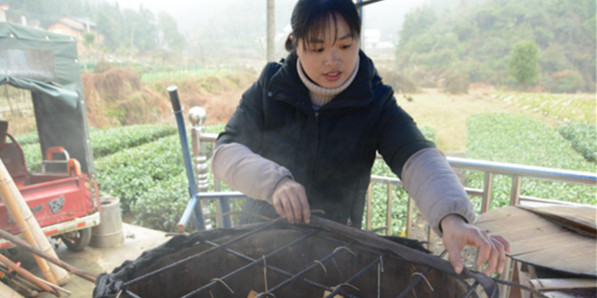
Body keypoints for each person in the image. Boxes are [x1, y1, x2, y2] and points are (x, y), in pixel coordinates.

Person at [212, 0, 510, 276]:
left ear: (358, 39)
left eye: (345, 45)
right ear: (296, 45)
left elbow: (416, 156)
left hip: (331, 252)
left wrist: (452, 218)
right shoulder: (270, 88)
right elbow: (225, 152)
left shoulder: (374, 101)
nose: (333, 60)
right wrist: (274, 182)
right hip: (258, 244)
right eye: (317, 48)